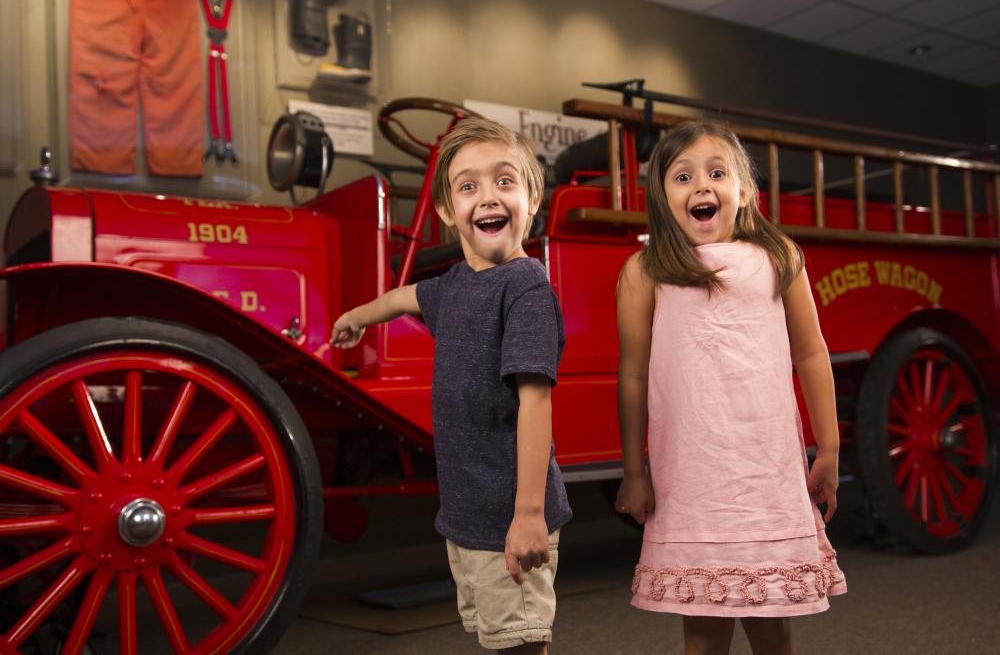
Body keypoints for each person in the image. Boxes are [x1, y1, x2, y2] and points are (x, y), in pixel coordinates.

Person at [331, 117, 572, 654]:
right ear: (447, 211)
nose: (488, 197)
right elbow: (405, 297)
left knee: (519, 641)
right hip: (467, 513)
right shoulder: (457, 285)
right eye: (469, 187)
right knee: (499, 637)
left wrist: (529, 515)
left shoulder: (526, 289)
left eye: (505, 182)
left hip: (510, 512)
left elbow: (536, 402)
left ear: (531, 201)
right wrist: (358, 315)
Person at [615, 120, 847, 655]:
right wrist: (633, 470)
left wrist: (829, 447)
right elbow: (633, 375)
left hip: (767, 475)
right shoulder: (646, 271)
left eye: (718, 173)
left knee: (772, 622)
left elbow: (811, 353)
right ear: (661, 196)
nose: (702, 185)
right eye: (682, 176)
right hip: (692, 483)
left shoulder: (778, 257)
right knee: (702, 628)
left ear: (743, 191)